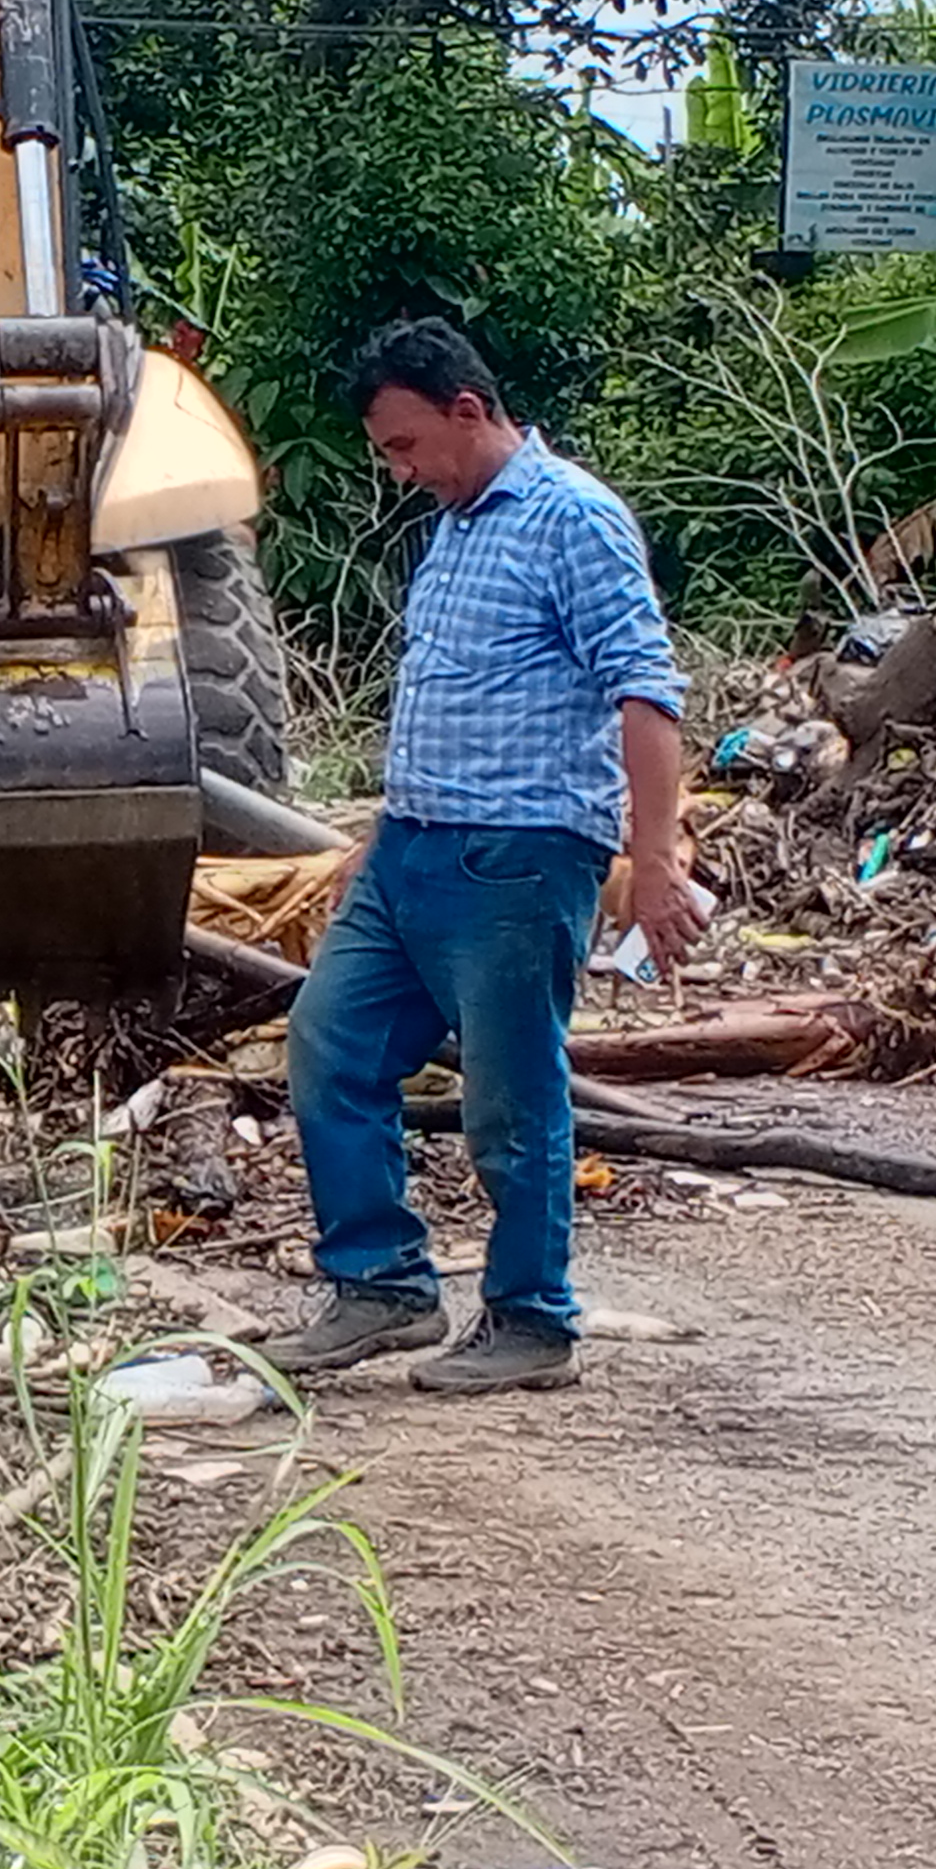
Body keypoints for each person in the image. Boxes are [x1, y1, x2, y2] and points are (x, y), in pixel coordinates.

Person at [274, 316, 701, 1395]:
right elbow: (449, 696)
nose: (400, 471)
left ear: (467, 410)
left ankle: (531, 1318)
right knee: (332, 1044)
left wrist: (653, 860)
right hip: (410, 853)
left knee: (511, 1098)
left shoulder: (573, 520)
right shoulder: (458, 526)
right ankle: (380, 1285)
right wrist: (380, 833)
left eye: (406, 445)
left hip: (518, 857)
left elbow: (644, 691)